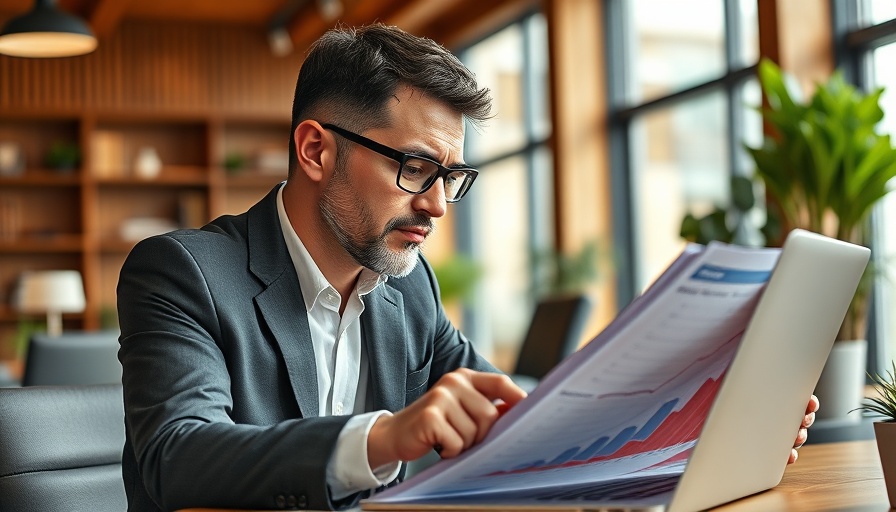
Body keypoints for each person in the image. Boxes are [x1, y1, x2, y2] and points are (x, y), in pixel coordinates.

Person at [117, 23, 817, 512]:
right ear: (314, 150)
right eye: (416, 167)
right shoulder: (183, 272)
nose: (438, 205)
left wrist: (704, 424)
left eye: (452, 176)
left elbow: (520, 421)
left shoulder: (405, 287)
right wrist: (385, 435)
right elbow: (177, 456)